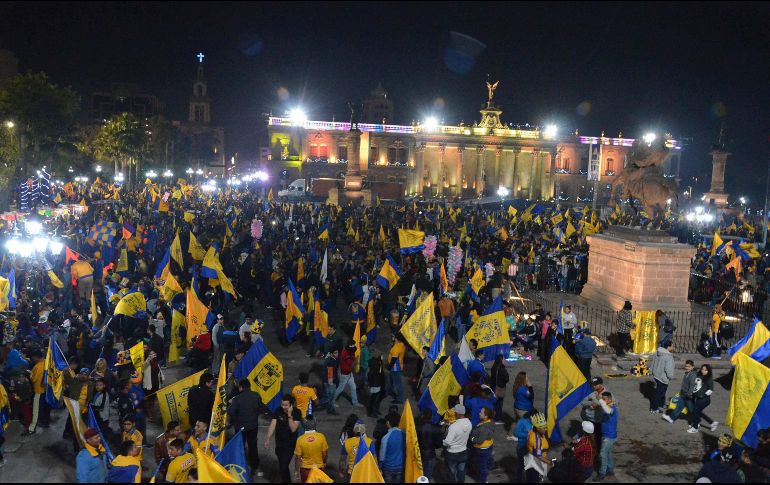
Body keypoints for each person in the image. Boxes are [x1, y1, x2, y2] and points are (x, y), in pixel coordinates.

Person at [227, 379, 264, 474]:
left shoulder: (237, 398)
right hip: (253, 426)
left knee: (240, 446)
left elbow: (230, 411)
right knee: (253, 446)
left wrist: (231, 403)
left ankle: (241, 465)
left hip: (240, 427)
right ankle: (255, 465)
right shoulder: (256, 395)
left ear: (241, 387)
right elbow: (261, 408)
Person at [265, 394, 302, 483]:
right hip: (279, 444)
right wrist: (268, 438)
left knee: (283, 466)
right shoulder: (278, 410)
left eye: (285, 405)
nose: (283, 407)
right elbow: (273, 424)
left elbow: (293, 428)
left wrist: (289, 415)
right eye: (282, 404)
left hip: (290, 445)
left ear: (291, 405)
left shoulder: (297, 412)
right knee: (282, 466)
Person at [294, 416, 329, 483]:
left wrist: (296, 471)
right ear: (315, 424)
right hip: (319, 469)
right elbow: (325, 453)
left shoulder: (300, 439)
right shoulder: (321, 437)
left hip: (305, 471)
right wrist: (324, 462)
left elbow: (297, 458)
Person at [443, 403, 472, 483]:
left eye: (455, 412)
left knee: (451, 471)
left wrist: (443, 441)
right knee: (461, 470)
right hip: (463, 452)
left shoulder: (454, 427)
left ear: (457, 413)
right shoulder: (469, 423)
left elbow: (447, 442)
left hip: (452, 453)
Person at [662, 360, 697, 424]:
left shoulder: (692, 375)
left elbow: (692, 386)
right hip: (684, 394)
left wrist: (689, 395)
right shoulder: (687, 373)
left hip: (688, 395)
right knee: (679, 407)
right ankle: (671, 418)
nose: (687, 368)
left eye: (689, 367)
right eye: (686, 366)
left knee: (692, 410)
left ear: (692, 367)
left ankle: (696, 422)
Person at [25, 349, 50, 435]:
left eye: (33, 358)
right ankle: (45, 422)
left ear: (36, 357)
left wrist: (30, 374)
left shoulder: (38, 366)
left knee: (36, 410)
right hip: (47, 390)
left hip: (39, 390)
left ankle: (32, 429)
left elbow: (34, 379)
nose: (32, 359)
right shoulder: (47, 362)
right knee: (46, 408)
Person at [469, 406, 495, 483]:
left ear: (486, 416)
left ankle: (483, 481)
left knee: (482, 467)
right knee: (484, 463)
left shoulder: (484, 428)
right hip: (487, 447)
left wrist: (472, 439)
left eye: (481, 413)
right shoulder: (490, 421)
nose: (479, 413)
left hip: (482, 449)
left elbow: (479, 440)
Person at [595, 392, 618, 481]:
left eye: (604, 399)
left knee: (603, 454)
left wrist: (600, 400)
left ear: (609, 399)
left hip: (609, 437)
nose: (603, 401)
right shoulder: (606, 406)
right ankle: (610, 469)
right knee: (608, 453)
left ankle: (602, 473)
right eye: (603, 399)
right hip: (606, 435)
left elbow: (608, 410)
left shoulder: (613, 408)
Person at [416, 408, 443, 481]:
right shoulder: (436, 429)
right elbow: (440, 444)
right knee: (428, 476)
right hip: (431, 455)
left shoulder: (417, 428)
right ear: (431, 417)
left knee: (418, 475)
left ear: (423, 416)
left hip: (419, 455)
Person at [649, 340, 675, 414]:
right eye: (672, 345)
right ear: (668, 347)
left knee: (662, 391)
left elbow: (653, 362)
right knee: (659, 393)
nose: (673, 347)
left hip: (656, 375)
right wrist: (670, 376)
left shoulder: (657, 352)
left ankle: (661, 404)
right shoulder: (668, 357)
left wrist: (651, 372)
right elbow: (668, 368)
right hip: (663, 377)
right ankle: (654, 408)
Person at [688, 364, 716, 434]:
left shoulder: (709, 379)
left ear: (708, 371)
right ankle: (712, 423)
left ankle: (695, 427)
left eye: (705, 370)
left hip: (704, 399)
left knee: (695, 411)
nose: (703, 371)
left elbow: (710, 390)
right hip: (698, 398)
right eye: (702, 369)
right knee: (698, 412)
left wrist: (702, 395)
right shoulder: (700, 375)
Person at [379, 412, 406, 483]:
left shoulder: (385, 438)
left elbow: (382, 455)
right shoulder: (404, 435)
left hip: (388, 467)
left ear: (388, 423)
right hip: (400, 466)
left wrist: (380, 466)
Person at [334, 343, 362, 407]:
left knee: (353, 387)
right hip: (344, 375)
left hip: (349, 373)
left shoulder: (349, 351)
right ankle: (331, 401)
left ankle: (355, 402)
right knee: (340, 388)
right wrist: (357, 359)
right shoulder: (345, 354)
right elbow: (352, 363)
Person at [525, 412, 550, 483]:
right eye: (543, 428)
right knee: (534, 479)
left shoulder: (532, 432)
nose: (546, 429)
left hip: (530, 460)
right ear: (538, 429)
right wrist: (550, 462)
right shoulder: (537, 440)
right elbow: (538, 455)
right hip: (536, 463)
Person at [386, 334, 406, 404]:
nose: (392, 338)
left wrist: (389, 367)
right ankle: (387, 392)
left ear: (396, 338)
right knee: (390, 380)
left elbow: (394, 359)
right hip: (397, 366)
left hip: (395, 368)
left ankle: (400, 399)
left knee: (398, 383)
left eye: (393, 337)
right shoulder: (401, 344)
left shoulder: (396, 347)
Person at [490, 354, 509, 423]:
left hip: (493, 387)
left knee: (494, 403)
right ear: (501, 360)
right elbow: (506, 378)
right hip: (499, 388)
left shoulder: (494, 367)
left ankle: (493, 416)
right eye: (504, 359)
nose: (505, 360)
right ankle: (497, 418)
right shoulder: (501, 369)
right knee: (499, 404)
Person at [324, 349, 340, 415]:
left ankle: (330, 406)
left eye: (337, 352)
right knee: (330, 395)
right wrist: (331, 382)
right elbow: (330, 372)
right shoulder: (331, 361)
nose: (337, 354)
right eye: (335, 353)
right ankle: (330, 409)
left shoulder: (330, 359)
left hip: (327, 379)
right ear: (331, 354)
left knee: (329, 395)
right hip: (330, 380)